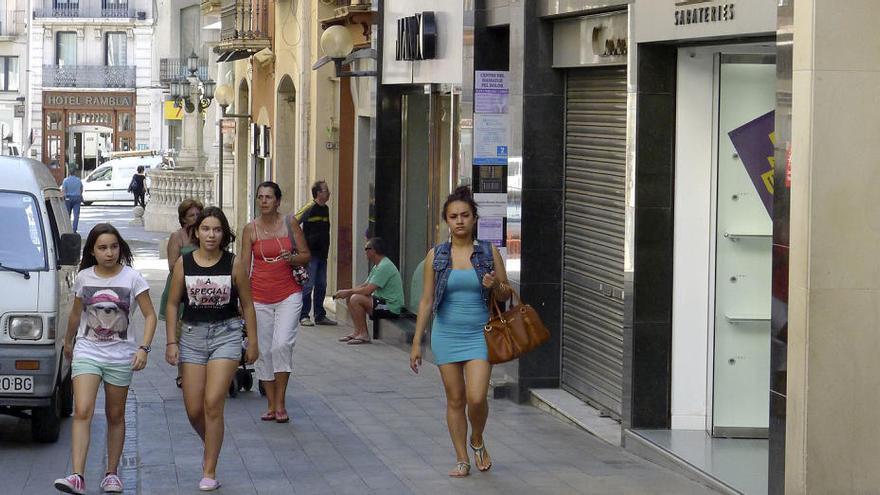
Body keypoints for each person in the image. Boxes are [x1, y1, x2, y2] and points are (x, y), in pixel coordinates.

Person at [409, 186, 511, 477]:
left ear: (474, 218)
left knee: (477, 397)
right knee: (456, 399)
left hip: (480, 334)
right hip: (446, 335)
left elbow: (505, 295)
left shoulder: (488, 253)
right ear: (446, 221)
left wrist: (494, 285)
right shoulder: (436, 255)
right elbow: (427, 300)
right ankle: (462, 458)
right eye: (453, 216)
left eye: (465, 215)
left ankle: (477, 438)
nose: (460, 221)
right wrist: (417, 342)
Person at [54, 224, 157, 494]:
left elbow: (150, 315)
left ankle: (112, 473)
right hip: (87, 351)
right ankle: (77, 475)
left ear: (120, 248)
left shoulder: (133, 278)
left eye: (113, 247)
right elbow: (76, 315)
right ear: (92, 251)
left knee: (115, 414)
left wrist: (143, 349)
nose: (109, 253)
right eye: (102, 248)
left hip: (121, 355)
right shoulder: (84, 278)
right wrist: (68, 342)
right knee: (83, 409)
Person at [164, 207, 258, 491]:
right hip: (192, 336)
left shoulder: (233, 263)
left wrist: (252, 341)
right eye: (206, 229)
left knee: (213, 401)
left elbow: (248, 304)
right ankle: (213, 442)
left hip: (226, 335)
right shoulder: (185, 263)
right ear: (197, 231)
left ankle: (209, 469)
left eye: (217, 230)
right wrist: (171, 341)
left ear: (224, 234)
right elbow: (171, 303)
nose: (211, 235)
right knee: (194, 410)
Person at [240, 182, 310, 424]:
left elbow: (306, 255)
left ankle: (281, 402)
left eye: (269, 197)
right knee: (264, 350)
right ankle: (271, 404)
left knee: (282, 345)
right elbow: (242, 267)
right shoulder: (250, 229)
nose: (264, 201)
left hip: (289, 294)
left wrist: (291, 258)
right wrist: (242, 299)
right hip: (259, 297)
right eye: (260, 197)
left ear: (278, 201)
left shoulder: (290, 223)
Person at [159, 198, 204, 388]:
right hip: (181, 288)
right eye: (191, 215)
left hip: (202, 288)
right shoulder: (177, 237)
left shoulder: (204, 234)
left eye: (198, 214)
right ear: (183, 219)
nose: (195, 218)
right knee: (181, 332)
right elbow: (171, 265)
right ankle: (181, 373)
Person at [334, 237, 404, 345]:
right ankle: (357, 332)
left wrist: (348, 292)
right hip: (381, 302)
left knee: (355, 298)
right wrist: (347, 292)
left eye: (366, 248)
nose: (365, 251)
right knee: (351, 296)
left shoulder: (384, 266)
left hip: (391, 307)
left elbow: (367, 290)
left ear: (373, 250)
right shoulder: (378, 266)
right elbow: (365, 285)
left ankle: (364, 334)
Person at [295, 180, 336, 326]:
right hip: (310, 254)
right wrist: (301, 245)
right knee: (308, 285)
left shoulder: (325, 209)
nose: (329, 193)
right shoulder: (310, 207)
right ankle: (304, 315)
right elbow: (294, 222)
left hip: (323, 254)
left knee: (322, 285)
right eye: (326, 190)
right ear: (318, 193)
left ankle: (320, 315)